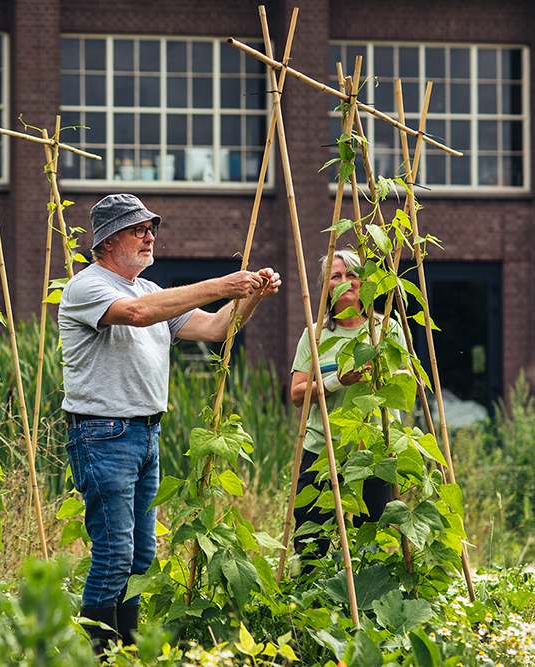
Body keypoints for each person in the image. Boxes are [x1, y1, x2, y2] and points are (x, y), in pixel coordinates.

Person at [58, 194, 280, 653]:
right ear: (108, 239)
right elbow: (137, 317)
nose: (150, 236)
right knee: (114, 556)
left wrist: (250, 295)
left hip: (145, 435)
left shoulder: (149, 290)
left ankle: (127, 653)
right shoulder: (87, 287)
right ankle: (95, 656)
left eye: (150, 228)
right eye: (139, 229)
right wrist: (222, 282)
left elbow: (218, 329)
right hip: (103, 435)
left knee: (140, 558)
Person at [289, 249, 407, 571]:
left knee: (372, 539)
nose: (346, 282)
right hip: (324, 449)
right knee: (310, 539)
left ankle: (369, 608)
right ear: (327, 287)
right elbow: (298, 394)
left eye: (352, 274)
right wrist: (336, 381)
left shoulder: (385, 330)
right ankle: (304, 606)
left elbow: (407, 384)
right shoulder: (315, 336)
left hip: (374, 451)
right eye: (336, 276)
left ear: (365, 281)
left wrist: (383, 374)